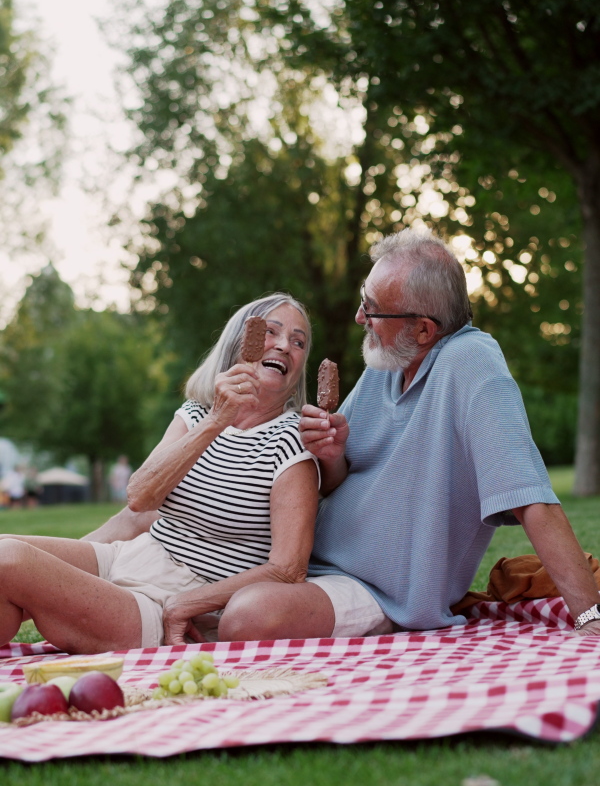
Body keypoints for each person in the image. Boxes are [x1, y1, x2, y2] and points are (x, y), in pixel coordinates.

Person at [205, 227, 600, 641]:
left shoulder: (472, 364)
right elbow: (339, 480)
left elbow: (532, 500)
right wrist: (332, 453)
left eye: (372, 309)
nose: (360, 317)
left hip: (375, 591)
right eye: (363, 298)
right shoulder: (387, 364)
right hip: (307, 563)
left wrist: (590, 618)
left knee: (246, 617)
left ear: (424, 330)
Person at [0, 294, 319, 653]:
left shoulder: (294, 442)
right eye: (271, 332)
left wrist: (192, 602)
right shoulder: (197, 415)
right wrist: (217, 419)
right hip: (130, 556)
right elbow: (140, 497)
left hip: (167, 602)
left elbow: (288, 568)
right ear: (239, 342)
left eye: (298, 341)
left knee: (10, 559)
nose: (284, 345)